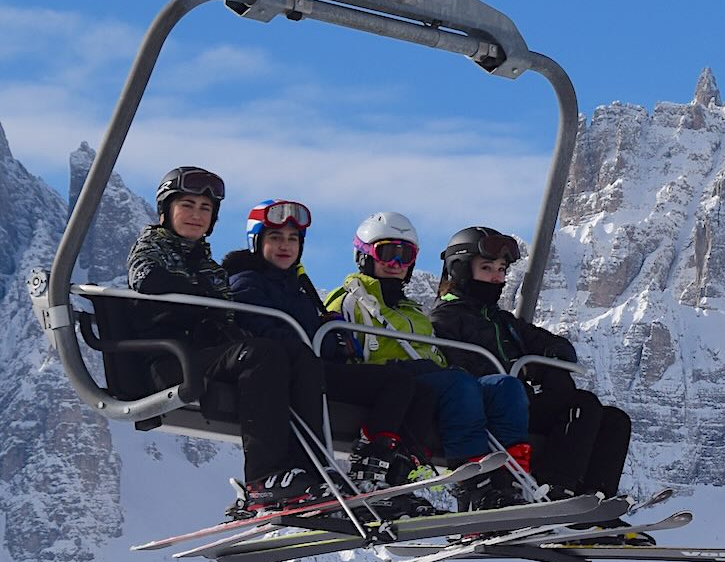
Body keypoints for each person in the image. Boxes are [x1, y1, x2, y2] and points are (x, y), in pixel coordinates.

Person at [125, 167, 327, 513]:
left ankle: (312, 470)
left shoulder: (206, 263)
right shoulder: (152, 248)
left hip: (203, 354)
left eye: (205, 208)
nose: (196, 215)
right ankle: (263, 478)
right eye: (187, 206)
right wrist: (202, 298)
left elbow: (225, 316)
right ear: (166, 210)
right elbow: (148, 280)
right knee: (262, 354)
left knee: (298, 356)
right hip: (170, 358)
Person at [222, 199, 434, 492]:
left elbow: (318, 340)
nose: (285, 246)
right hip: (283, 370)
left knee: (401, 383)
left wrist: (335, 340)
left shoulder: (299, 289)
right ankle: (314, 471)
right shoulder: (247, 283)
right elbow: (259, 327)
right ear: (256, 242)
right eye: (275, 237)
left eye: (293, 239)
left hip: (313, 366)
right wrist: (313, 344)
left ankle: (378, 466)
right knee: (313, 371)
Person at [324, 213, 531, 508]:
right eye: (387, 253)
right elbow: (336, 351)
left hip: (430, 378)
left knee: (504, 386)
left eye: (405, 255)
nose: (396, 263)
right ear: (365, 255)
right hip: (387, 380)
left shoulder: (413, 311)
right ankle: (472, 484)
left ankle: (510, 481)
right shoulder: (349, 300)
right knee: (458, 384)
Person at [431, 226, 632, 500]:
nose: (496, 277)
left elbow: (554, 345)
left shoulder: (502, 321)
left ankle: (597, 498)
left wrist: (545, 363)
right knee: (581, 406)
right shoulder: (445, 318)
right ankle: (556, 488)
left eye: (501, 270)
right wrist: (520, 368)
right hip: (486, 407)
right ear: (461, 270)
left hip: (518, 403)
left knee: (614, 420)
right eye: (487, 268)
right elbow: (457, 366)